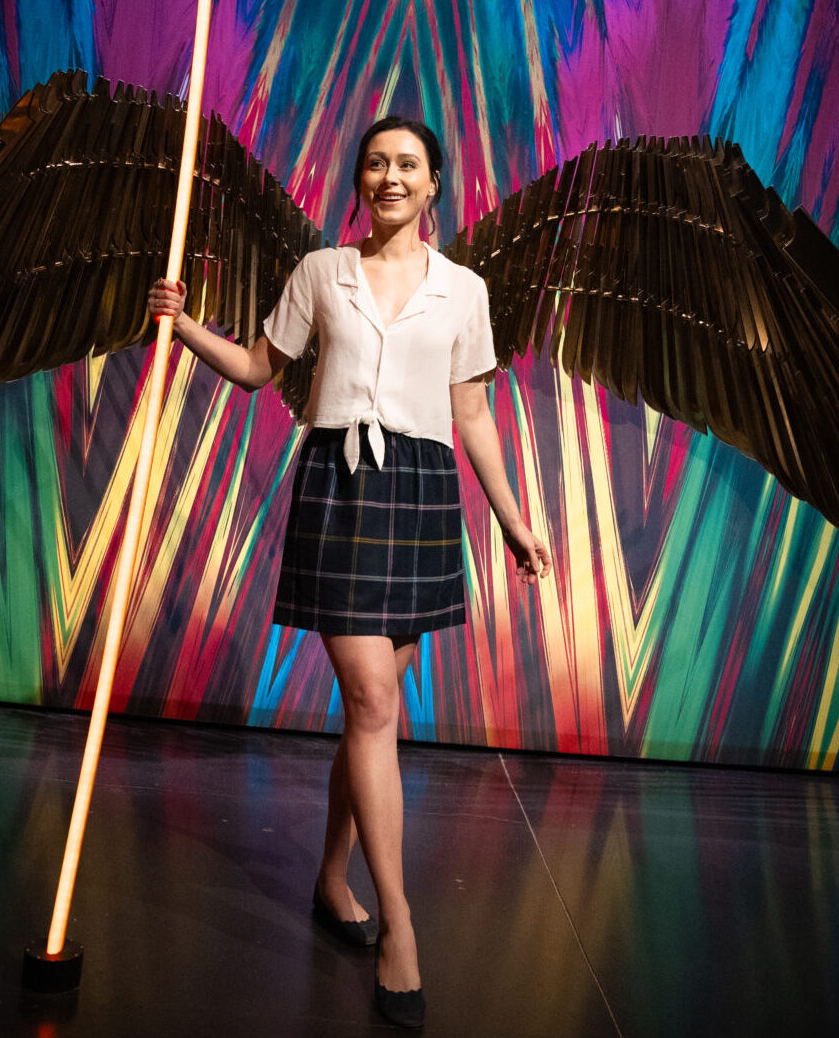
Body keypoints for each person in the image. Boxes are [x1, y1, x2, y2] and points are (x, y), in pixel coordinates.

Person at [148, 115, 551, 1028]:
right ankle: (400, 924)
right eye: (376, 163)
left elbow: (474, 416)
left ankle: (331, 880)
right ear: (360, 179)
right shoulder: (321, 273)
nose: (390, 176)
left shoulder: (463, 291)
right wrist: (182, 331)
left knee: (369, 718)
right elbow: (257, 368)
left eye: (408, 164)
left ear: (435, 183)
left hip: (420, 494)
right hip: (339, 484)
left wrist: (515, 519)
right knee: (374, 706)